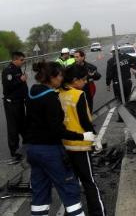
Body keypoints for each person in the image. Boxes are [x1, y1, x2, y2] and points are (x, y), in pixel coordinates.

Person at [24, 61, 95, 216]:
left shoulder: (32, 92)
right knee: (69, 189)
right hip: (50, 151)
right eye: (61, 76)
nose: (62, 79)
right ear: (53, 77)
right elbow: (58, 130)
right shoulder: (51, 98)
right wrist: (82, 136)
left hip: (33, 150)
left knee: (40, 191)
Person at [59, 65, 106, 216]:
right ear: (74, 80)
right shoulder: (78, 94)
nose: (86, 82)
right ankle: (97, 212)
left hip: (65, 144)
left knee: (71, 181)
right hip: (80, 144)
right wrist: (94, 138)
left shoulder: (57, 93)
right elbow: (85, 121)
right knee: (89, 181)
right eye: (84, 79)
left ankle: (72, 211)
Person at [1, 51, 28, 164]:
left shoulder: (18, 69)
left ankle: (27, 148)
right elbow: (7, 87)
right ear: (15, 59)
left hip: (20, 102)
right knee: (13, 129)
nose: (23, 62)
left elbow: (21, 86)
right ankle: (15, 154)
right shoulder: (8, 70)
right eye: (21, 60)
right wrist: (20, 80)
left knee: (24, 126)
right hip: (11, 104)